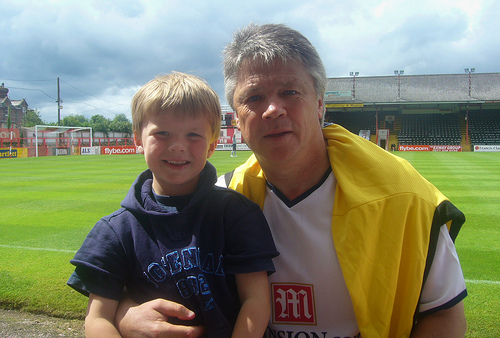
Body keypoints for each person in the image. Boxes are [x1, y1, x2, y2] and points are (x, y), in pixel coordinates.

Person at [116, 24, 468, 337]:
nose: (273, 109)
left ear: (319, 103)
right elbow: (142, 274)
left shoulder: (405, 197)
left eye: (290, 92)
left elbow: (444, 314)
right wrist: (125, 316)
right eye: (253, 97)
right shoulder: (221, 197)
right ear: (237, 119)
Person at [67, 72, 278, 338]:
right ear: (138, 140)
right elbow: (97, 318)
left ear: (212, 145)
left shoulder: (236, 213)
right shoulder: (115, 231)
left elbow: (256, 302)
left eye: (193, 135)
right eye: (163, 133)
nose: (178, 146)